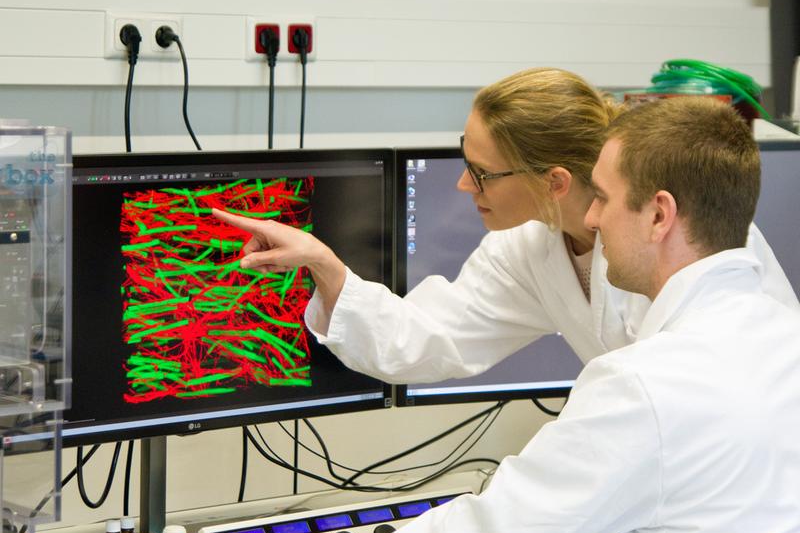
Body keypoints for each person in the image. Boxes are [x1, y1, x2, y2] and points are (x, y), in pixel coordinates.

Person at [346, 97, 800, 533]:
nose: (591, 218)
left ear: (660, 216)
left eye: (602, 197)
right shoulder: (784, 337)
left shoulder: (642, 387)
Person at [212, 68, 797, 388]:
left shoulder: (685, 238)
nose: (465, 188)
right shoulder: (531, 248)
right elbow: (428, 340)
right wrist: (325, 265)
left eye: (482, 173)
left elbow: (740, 395)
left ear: (555, 181)